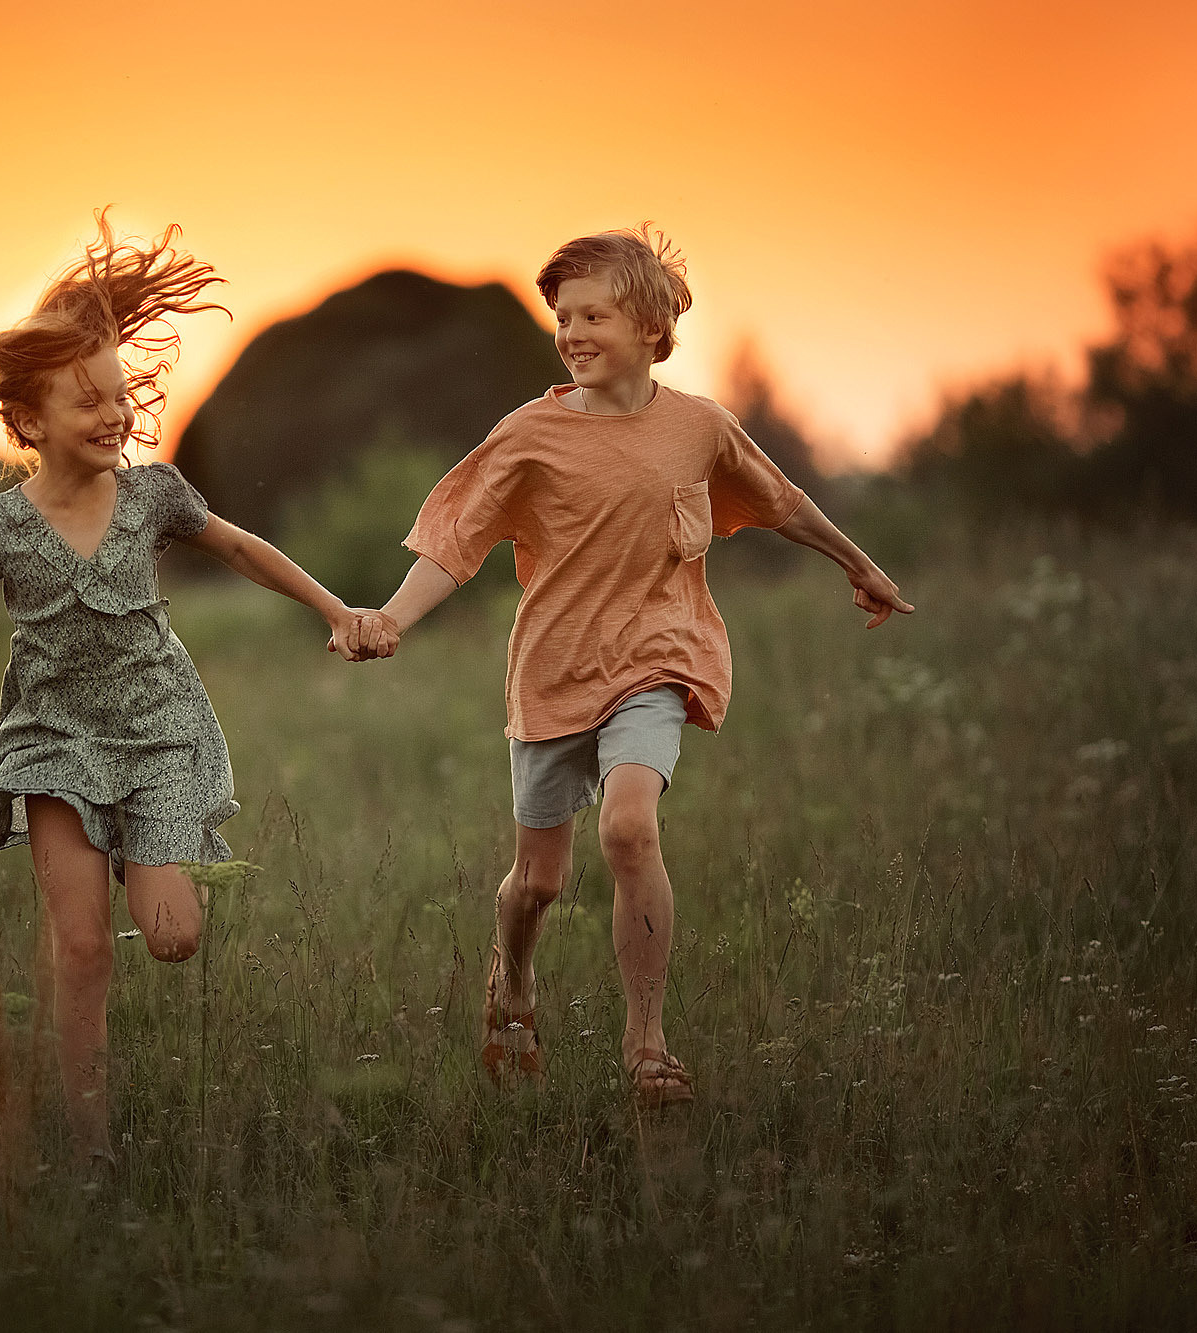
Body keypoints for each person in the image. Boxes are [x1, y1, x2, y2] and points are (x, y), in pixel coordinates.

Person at [346, 226, 913, 1108]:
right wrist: (390, 616)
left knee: (628, 830)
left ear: (652, 325)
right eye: (563, 316)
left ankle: (646, 1043)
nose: (572, 331)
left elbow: (782, 501)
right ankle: (515, 976)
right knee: (540, 880)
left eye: (594, 314)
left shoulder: (698, 427)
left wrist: (860, 563)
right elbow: (455, 544)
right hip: (554, 669)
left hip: (659, 656)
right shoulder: (528, 434)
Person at [0, 214, 384, 1164]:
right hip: (54, 742)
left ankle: (127, 862)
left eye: (120, 395)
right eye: (86, 402)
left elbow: (238, 547)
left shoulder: (151, 497)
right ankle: (89, 1138)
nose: (114, 415)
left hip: (158, 738)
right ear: (29, 421)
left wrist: (333, 606)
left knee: (175, 935)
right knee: (86, 950)